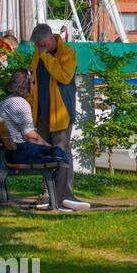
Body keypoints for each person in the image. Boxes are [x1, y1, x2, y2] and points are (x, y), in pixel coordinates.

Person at [28, 23, 88, 212]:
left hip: (61, 114)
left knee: (61, 152)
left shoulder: (67, 53)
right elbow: (33, 81)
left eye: (42, 45)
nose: (39, 49)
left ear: (51, 40)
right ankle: (47, 193)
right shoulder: (38, 54)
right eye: (37, 46)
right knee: (45, 154)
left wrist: (46, 57)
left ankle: (64, 194)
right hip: (42, 114)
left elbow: (63, 76)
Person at [0, 69, 73, 207]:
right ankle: (60, 198)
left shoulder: (7, 101)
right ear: (26, 85)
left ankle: (54, 196)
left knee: (55, 153)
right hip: (15, 153)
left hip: (3, 152)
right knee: (60, 155)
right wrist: (49, 147)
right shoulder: (20, 104)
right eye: (32, 83)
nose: (34, 86)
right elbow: (31, 136)